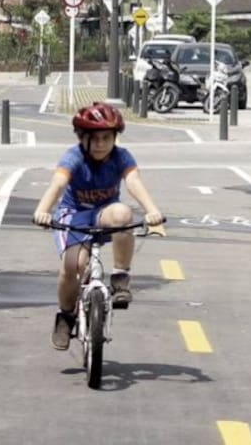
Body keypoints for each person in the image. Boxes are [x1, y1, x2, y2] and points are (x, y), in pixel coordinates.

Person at [32, 102, 165, 350]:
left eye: (107, 138)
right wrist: (43, 210)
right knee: (74, 267)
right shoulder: (73, 156)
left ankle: (120, 277)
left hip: (104, 213)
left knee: (123, 213)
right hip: (74, 214)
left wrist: (152, 211)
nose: (101, 144)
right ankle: (66, 316)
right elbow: (58, 184)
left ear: (115, 137)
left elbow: (133, 182)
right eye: (94, 138)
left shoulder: (122, 157)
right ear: (81, 138)